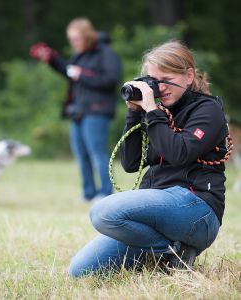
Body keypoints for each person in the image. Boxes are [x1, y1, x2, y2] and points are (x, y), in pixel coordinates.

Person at [68, 40, 231, 277]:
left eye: (167, 79)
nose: (160, 88)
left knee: (102, 212)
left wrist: (152, 112)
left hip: (197, 209)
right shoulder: (158, 112)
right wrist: (134, 113)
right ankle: (170, 253)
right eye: (155, 81)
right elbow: (131, 163)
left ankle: (168, 252)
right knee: (80, 271)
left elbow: (179, 153)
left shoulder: (207, 110)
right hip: (156, 210)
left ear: (189, 76)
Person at [30, 18, 122, 201]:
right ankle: (88, 193)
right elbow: (70, 73)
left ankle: (105, 192)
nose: (73, 43)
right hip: (78, 111)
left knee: (97, 152)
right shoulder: (81, 54)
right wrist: (52, 59)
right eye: (71, 39)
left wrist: (84, 75)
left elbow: (111, 80)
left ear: (87, 36)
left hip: (97, 110)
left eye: (76, 39)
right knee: (81, 154)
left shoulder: (106, 54)